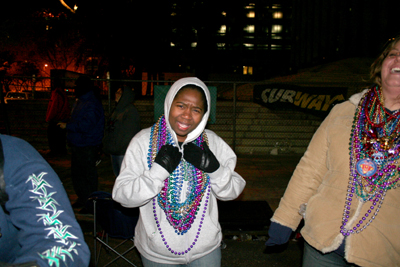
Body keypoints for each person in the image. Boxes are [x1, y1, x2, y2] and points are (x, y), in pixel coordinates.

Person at [264, 35, 400, 267]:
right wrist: (285, 220)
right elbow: (310, 169)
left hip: (382, 252)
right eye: (393, 54)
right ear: (381, 63)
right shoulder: (344, 111)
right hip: (322, 243)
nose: (398, 60)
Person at [112, 77, 246, 266]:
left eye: (196, 109)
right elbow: (122, 196)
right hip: (157, 254)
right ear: (168, 104)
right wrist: (157, 172)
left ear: (204, 114)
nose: (187, 115)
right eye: (181, 105)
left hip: (205, 252)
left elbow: (233, 192)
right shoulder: (143, 142)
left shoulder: (213, 143)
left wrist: (215, 170)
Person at [0, 134, 90, 266]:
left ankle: (85, 201)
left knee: (85, 175)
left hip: (83, 144)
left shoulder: (13, 155)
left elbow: (66, 245)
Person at [58, 75, 105, 211]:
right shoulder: (82, 101)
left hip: (87, 145)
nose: (74, 89)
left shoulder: (91, 102)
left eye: (77, 86)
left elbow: (86, 125)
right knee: (78, 175)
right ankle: (83, 198)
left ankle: (91, 203)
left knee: (87, 176)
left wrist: (67, 126)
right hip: (79, 144)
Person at [103, 85, 141, 177]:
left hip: (122, 152)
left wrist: (119, 148)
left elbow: (129, 133)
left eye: (120, 93)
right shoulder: (117, 110)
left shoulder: (130, 111)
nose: (117, 95)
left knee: (124, 177)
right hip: (114, 151)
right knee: (117, 177)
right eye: (116, 92)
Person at [45, 77, 71, 157]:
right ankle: (60, 151)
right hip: (62, 117)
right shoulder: (61, 92)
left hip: (57, 118)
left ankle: (55, 151)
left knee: (53, 136)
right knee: (60, 137)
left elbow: (54, 107)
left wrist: (49, 117)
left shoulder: (57, 93)